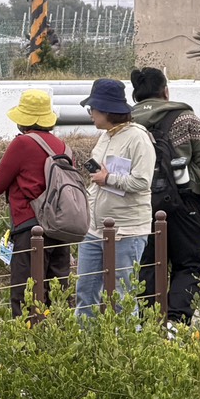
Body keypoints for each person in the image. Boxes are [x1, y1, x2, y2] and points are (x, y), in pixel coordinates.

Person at [0, 89, 74, 317]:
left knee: (26, 293)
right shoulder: (63, 147)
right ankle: (58, 344)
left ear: (24, 120)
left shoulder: (23, 144)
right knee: (57, 292)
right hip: (61, 227)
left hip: (30, 227)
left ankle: (27, 346)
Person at [129, 67, 200, 322]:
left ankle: (148, 324)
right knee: (193, 263)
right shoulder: (185, 118)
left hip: (140, 203)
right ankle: (175, 320)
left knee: (146, 265)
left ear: (136, 94)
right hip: (184, 201)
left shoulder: (127, 121)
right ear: (165, 91)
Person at [74, 78, 156, 315]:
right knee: (85, 291)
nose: (90, 115)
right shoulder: (106, 135)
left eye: (93, 110)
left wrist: (108, 179)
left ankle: (128, 349)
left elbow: (142, 181)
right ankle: (86, 345)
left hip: (127, 228)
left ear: (107, 111)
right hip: (94, 227)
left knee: (122, 295)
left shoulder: (138, 138)